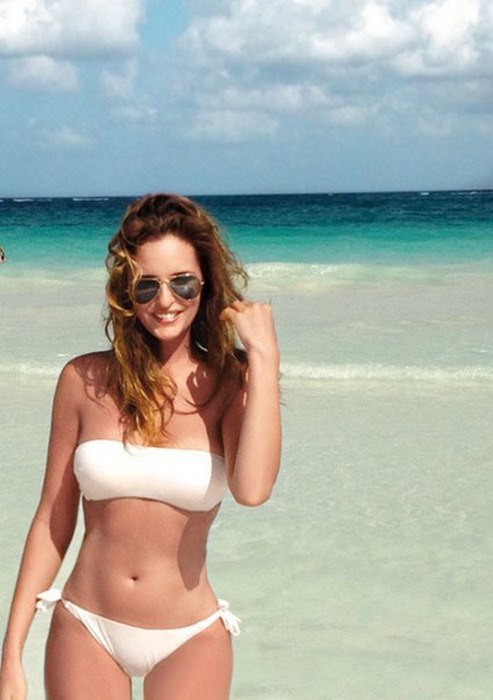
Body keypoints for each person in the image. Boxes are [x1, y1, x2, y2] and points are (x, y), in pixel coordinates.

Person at [0, 193, 281, 700]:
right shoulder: (83, 380)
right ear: (126, 293)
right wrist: (11, 653)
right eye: (147, 285)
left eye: (182, 282)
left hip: (190, 636)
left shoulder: (229, 385)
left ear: (205, 285)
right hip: (86, 624)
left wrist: (263, 357)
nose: (165, 300)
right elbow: (52, 519)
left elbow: (253, 489)